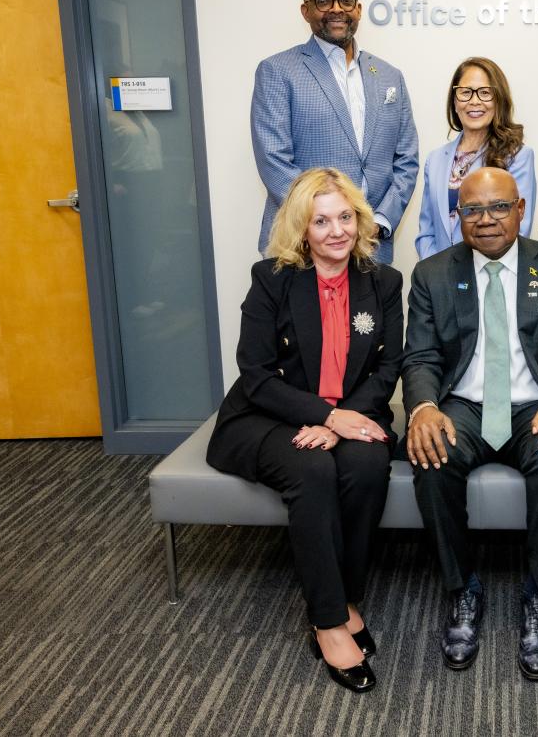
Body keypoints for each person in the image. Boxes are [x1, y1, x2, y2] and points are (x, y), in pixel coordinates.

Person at [403, 168, 538, 681]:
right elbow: (421, 357)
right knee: (432, 455)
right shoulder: (431, 274)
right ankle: (463, 589)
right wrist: (424, 408)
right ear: (458, 217)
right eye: (473, 210)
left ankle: (537, 594)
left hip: (537, 405)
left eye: (498, 208)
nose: (486, 220)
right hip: (465, 406)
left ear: (520, 209)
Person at [206, 167, 403, 694]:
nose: (336, 231)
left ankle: (348, 596)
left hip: (352, 413)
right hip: (268, 415)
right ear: (301, 228)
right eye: (321, 221)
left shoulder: (383, 282)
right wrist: (325, 416)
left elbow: (387, 371)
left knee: (367, 465)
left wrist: (340, 422)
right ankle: (327, 620)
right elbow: (255, 373)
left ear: (359, 220)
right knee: (313, 470)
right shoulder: (272, 279)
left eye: (345, 217)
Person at [250, 0, 419, 262]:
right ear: (305, 11)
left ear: (359, 8)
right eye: (324, 1)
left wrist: (379, 221)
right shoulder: (278, 71)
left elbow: (406, 161)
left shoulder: (391, 76)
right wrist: (329, 224)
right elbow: (273, 160)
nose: (337, 9)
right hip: (301, 247)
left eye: (345, 0)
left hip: (371, 247)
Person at [415, 57, 535, 258]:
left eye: (485, 93)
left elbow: (517, 229)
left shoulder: (518, 156)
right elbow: (427, 231)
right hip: (439, 276)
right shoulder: (435, 159)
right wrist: (436, 272)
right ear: (454, 101)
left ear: (498, 101)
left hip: (490, 273)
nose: (475, 101)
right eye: (465, 92)